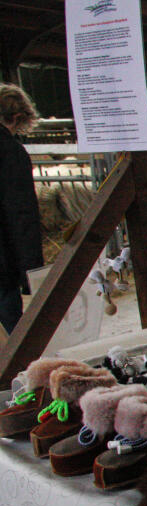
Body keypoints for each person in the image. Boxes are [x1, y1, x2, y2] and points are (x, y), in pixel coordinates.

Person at [0, 83, 43, 334]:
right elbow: (21, 214)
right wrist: (33, 274)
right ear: (16, 117)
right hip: (2, 264)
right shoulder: (10, 152)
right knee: (12, 334)